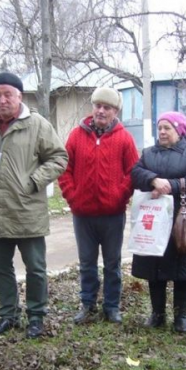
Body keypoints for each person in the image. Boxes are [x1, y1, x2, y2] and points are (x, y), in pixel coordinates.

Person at [0, 72, 68, 339]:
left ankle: (36, 316)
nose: (2, 99)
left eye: (8, 94)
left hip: (27, 210)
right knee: (0, 268)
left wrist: (33, 181)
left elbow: (59, 158)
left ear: (19, 96)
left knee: (35, 267)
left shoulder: (37, 125)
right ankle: (8, 315)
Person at [59, 87, 139, 324]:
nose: (101, 111)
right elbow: (65, 169)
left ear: (115, 111)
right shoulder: (76, 135)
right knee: (86, 262)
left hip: (112, 215)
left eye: (108, 107)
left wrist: (119, 196)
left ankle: (112, 306)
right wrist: (73, 196)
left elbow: (133, 172)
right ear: (92, 107)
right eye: (98, 106)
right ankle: (87, 304)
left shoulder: (124, 138)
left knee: (112, 262)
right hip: (82, 214)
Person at [131, 112, 186, 333]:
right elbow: (135, 172)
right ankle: (158, 313)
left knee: (184, 267)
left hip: (183, 219)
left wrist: (170, 186)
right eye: (160, 127)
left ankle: (181, 315)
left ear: (180, 130)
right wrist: (153, 179)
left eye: (167, 128)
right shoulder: (148, 153)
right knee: (155, 267)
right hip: (155, 219)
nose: (162, 132)